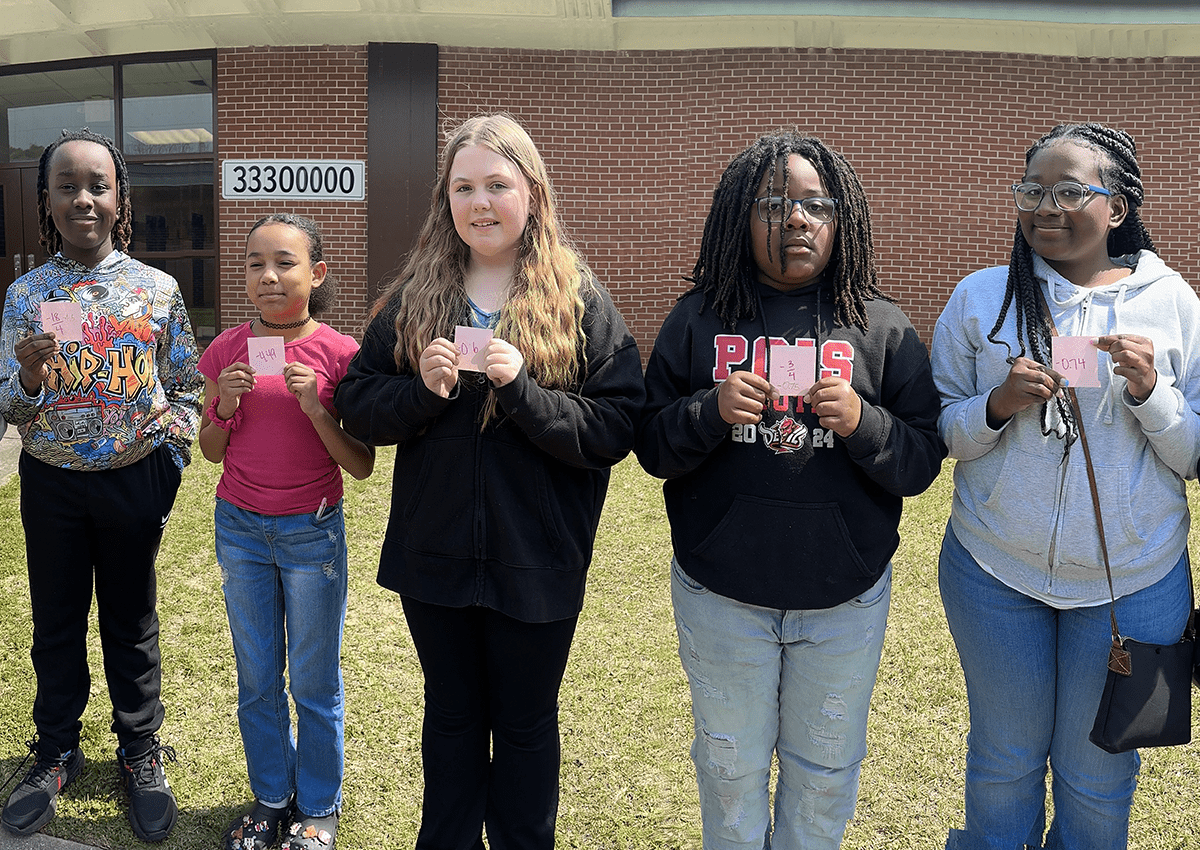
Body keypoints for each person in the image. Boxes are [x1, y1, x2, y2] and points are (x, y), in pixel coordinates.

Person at [334, 113, 644, 849]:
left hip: (537, 562)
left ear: (531, 192)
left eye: (497, 185)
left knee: (528, 725)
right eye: (463, 186)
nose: (480, 202)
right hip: (435, 560)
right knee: (451, 716)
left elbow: (616, 428)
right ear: (446, 198)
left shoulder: (578, 299)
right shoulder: (419, 292)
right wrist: (421, 391)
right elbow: (356, 401)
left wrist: (525, 390)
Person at [635, 132, 944, 849]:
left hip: (844, 599)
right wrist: (708, 411)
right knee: (729, 768)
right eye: (774, 204)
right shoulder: (698, 317)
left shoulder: (882, 327)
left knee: (826, 770)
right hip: (723, 597)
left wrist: (866, 424)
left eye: (814, 205)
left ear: (842, 220)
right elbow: (650, 446)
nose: (796, 220)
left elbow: (923, 460)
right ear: (740, 218)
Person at [932, 123, 1200, 849]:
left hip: (1136, 587)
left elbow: (1193, 455)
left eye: (1070, 191)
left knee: (1100, 774)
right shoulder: (981, 297)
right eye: (1033, 191)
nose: (1047, 206)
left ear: (1116, 208)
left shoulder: (1173, 303)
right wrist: (997, 405)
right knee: (1003, 762)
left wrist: (1152, 393)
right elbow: (943, 431)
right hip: (995, 574)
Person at [0, 128, 201, 842]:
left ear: (121, 200)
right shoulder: (26, 296)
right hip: (51, 484)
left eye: (98, 185)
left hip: (132, 484)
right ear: (46, 201)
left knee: (130, 621)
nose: (83, 198)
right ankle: (55, 751)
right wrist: (26, 376)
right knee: (55, 623)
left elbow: (186, 387)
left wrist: (166, 466)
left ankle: (140, 750)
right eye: (67, 186)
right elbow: (10, 405)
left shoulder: (157, 289)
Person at [197, 213, 373, 850]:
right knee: (257, 676)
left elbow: (361, 464)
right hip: (240, 529)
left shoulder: (340, 353)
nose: (268, 276)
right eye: (254, 264)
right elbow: (211, 451)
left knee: (314, 678)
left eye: (285, 263)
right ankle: (271, 797)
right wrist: (226, 406)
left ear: (316, 273)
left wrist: (315, 407)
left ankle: (318, 806)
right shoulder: (224, 350)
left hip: (311, 533)